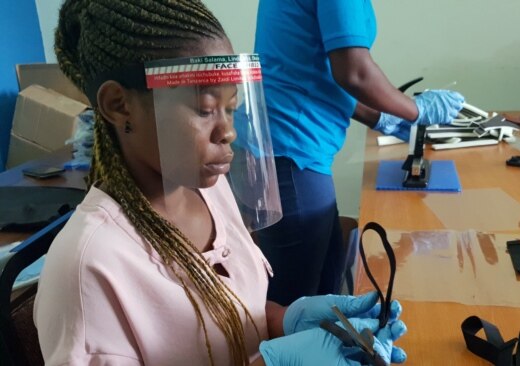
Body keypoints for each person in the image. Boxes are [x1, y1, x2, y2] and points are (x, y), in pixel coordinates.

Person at [33, 1, 406, 365]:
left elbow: (235, 312)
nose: (227, 132)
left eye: (231, 107)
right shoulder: (90, 266)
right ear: (119, 105)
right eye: (204, 109)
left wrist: (287, 318)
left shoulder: (211, 191)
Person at [254, 0, 466, 305]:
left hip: (290, 148)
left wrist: (382, 118)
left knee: (327, 286)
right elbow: (355, 73)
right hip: (293, 151)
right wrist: (417, 110)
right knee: (296, 303)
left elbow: (317, 71)